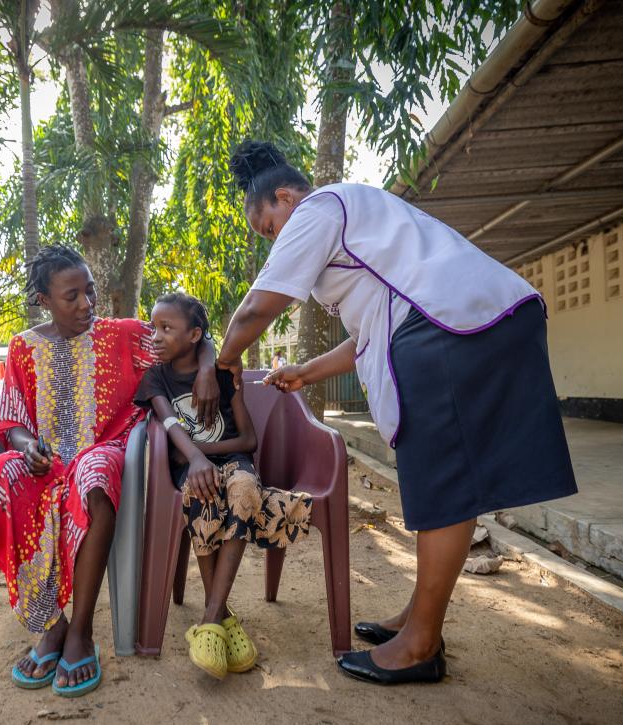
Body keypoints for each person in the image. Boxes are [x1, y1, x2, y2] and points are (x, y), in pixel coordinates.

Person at [215, 141, 577, 686]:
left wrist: (220, 364)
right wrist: (305, 373)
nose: (273, 240)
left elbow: (257, 306)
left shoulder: (319, 209)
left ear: (285, 198)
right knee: (454, 481)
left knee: (445, 483)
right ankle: (418, 618)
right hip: (471, 320)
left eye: (268, 227)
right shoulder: (359, 226)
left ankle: (420, 645)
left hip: (452, 325)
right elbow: (365, 337)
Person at [0, 246, 220, 697]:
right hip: (47, 463)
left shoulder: (121, 335)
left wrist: (206, 370)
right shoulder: (23, 348)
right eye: (73, 296)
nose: (87, 303)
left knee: (95, 476)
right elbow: (11, 421)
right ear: (44, 300)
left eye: (91, 291)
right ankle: (53, 623)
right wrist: (30, 450)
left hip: (102, 450)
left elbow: (196, 337)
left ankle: (81, 630)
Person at [135, 293, 310, 679]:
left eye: (167, 328)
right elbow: (167, 424)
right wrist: (196, 460)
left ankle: (211, 617)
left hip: (234, 461)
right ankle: (225, 618)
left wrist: (201, 450)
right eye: (153, 328)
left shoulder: (222, 373)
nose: (156, 336)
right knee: (203, 496)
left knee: (246, 490)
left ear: (196, 334)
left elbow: (249, 441)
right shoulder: (155, 377)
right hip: (191, 471)